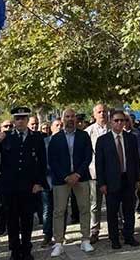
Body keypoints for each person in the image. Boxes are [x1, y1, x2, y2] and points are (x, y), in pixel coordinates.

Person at [0, 107, 47, 260]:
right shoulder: (6, 137)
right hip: (9, 187)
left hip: (29, 186)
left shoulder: (36, 137)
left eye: (23, 118)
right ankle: (15, 251)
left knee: (27, 220)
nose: (20, 121)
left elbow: (42, 162)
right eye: (17, 119)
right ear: (14, 121)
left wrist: (39, 182)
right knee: (12, 220)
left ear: (27, 120)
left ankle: (26, 249)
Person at [48, 108, 94, 257]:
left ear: (76, 119)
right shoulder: (55, 138)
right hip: (61, 180)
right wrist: (65, 176)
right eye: (67, 116)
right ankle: (58, 242)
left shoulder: (84, 135)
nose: (70, 119)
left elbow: (88, 156)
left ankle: (85, 239)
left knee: (84, 208)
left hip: (81, 177)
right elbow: (52, 160)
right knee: (59, 211)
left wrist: (77, 174)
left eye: (72, 116)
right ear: (63, 119)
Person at [95, 110, 140, 249]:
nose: (120, 123)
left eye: (123, 120)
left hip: (128, 179)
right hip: (111, 181)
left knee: (129, 211)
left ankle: (129, 236)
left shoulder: (131, 138)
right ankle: (114, 239)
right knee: (112, 212)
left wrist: (138, 178)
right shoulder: (103, 140)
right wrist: (102, 183)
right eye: (116, 120)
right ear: (110, 122)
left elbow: (136, 160)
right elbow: (99, 164)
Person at [83, 103, 109, 244]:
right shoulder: (88, 132)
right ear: (94, 114)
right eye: (99, 112)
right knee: (94, 205)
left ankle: (117, 228)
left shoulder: (113, 128)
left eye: (104, 111)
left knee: (115, 203)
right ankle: (94, 230)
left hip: (112, 172)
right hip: (94, 173)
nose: (102, 114)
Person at [41, 118, 62, 248]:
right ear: (51, 128)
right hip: (48, 180)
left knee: (61, 209)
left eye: (61, 125)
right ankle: (47, 235)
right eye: (57, 125)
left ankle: (60, 234)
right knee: (47, 209)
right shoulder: (45, 142)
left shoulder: (66, 141)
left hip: (62, 180)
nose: (59, 127)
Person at [0, 120, 13, 237]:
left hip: (13, 178)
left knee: (13, 205)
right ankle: (2, 228)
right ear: (0, 129)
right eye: (6, 126)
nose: (8, 128)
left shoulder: (15, 140)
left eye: (10, 126)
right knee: (0, 205)